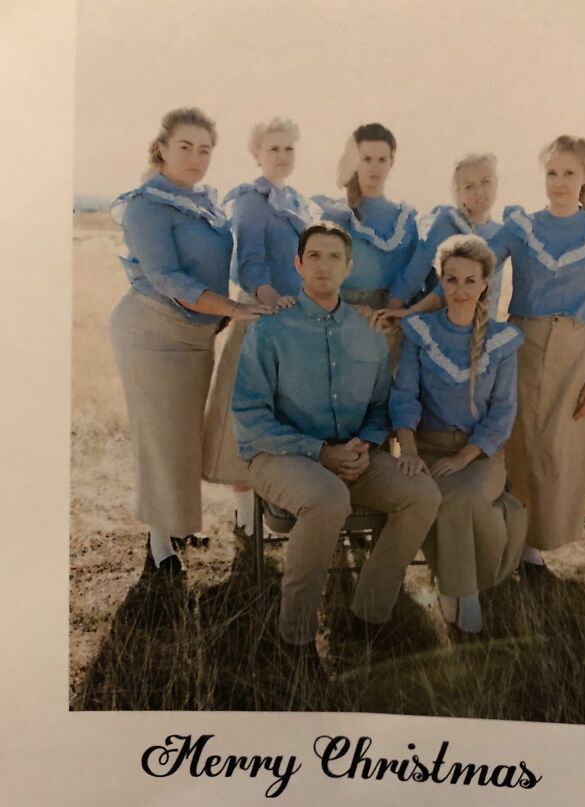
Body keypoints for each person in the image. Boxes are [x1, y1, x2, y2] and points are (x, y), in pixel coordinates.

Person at [232, 222, 441, 659]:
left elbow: (381, 408)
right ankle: (296, 640)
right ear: (298, 265)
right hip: (281, 454)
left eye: (333, 258)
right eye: (313, 256)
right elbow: (250, 418)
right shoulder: (270, 331)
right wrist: (321, 453)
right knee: (327, 498)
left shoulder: (368, 331)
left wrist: (364, 444)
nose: (323, 266)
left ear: (348, 267)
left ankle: (369, 614)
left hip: (353, 453)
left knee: (421, 495)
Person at [109, 107, 269, 575]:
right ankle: (160, 543)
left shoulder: (205, 202)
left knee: (188, 435)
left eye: (205, 150)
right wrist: (233, 309)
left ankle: (178, 520)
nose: (196, 158)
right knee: (164, 438)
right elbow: (166, 277)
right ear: (162, 148)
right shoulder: (145, 204)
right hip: (152, 333)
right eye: (186, 147)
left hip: (197, 336)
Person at [390, 234, 527, 634]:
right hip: (427, 448)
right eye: (452, 280)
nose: (461, 290)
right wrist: (410, 452)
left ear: (486, 282)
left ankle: (461, 590)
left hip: (479, 455)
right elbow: (404, 396)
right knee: (435, 495)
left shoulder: (501, 340)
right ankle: (460, 589)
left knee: (460, 497)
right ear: (440, 280)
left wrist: (463, 457)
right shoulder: (421, 331)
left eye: (471, 280)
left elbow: (503, 411)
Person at [500, 135, 585, 573]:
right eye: (552, 172)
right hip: (524, 345)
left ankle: (540, 545)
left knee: (557, 448)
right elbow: (477, 266)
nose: (558, 182)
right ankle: (514, 546)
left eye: (569, 173)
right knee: (519, 443)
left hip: (576, 351)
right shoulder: (520, 226)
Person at [201, 118, 320, 534]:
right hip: (261, 319)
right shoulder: (252, 201)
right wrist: (272, 302)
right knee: (245, 418)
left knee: (284, 417)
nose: (282, 157)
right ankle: (245, 514)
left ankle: (275, 505)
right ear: (257, 154)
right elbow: (249, 263)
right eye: (273, 149)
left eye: (289, 149)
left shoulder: (297, 202)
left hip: (295, 324)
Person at [387, 152, 507, 321]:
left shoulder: (501, 234)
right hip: (438, 321)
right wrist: (392, 310)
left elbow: (492, 294)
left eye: (486, 182)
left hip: (478, 328)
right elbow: (416, 271)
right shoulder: (448, 222)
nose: (479, 192)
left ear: (496, 184)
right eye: (469, 186)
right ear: (458, 193)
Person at [312, 123, 418, 314]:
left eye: (381, 159)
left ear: (391, 162)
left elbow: (411, 275)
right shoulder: (335, 214)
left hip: (387, 313)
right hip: (337, 311)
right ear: (355, 162)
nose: (374, 167)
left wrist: (392, 308)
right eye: (366, 159)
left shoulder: (404, 221)